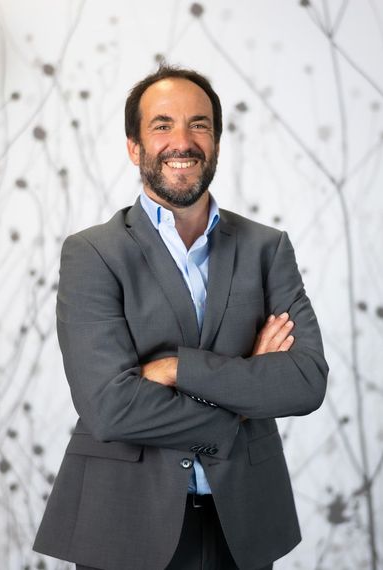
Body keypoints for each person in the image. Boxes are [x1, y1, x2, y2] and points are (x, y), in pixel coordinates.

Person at [33, 65, 328, 570]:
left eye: (200, 124)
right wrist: (241, 399)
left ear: (215, 141)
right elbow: (110, 408)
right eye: (163, 125)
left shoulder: (265, 248)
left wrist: (174, 368)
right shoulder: (92, 253)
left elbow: (304, 383)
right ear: (134, 146)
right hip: (125, 519)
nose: (183, 140)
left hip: (243, 521)